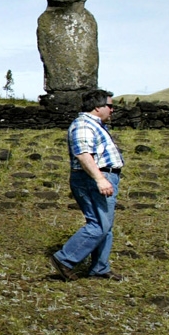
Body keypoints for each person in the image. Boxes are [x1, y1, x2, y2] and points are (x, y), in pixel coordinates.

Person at [49, 88, 125, 281]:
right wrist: (100, 179)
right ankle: (65, 259)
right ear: (97, 107)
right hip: (91, 178)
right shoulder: (84, 125)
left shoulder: (94, 125)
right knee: (99, 224)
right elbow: (83, 155)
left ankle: (99, 267)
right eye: (110, 106)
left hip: (100, 176)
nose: (112, 110)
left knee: (105, 225)